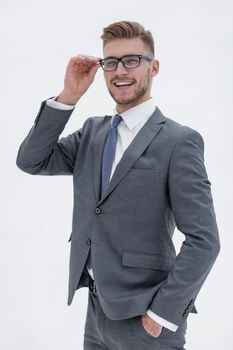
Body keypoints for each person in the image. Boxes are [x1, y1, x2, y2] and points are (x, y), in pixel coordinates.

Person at [16, 21, 220, 350]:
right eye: (110, 62)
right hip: (96, 312)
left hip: (147, 320)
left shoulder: (179, 142)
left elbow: (205, 240)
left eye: (131, 60)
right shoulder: (92, 133)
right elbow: (31, 160)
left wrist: (163, 313)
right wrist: (68, 97)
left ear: (153, 67)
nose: (119, 70)